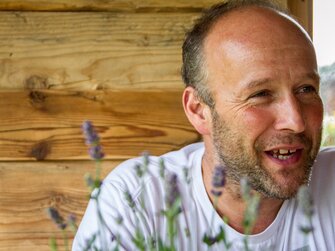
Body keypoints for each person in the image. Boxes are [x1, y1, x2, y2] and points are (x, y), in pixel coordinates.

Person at [73, 0, 335, 250]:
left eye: (306, 89)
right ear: (198, 111)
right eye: (261, 94)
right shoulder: (135, 200)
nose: (296, 121)